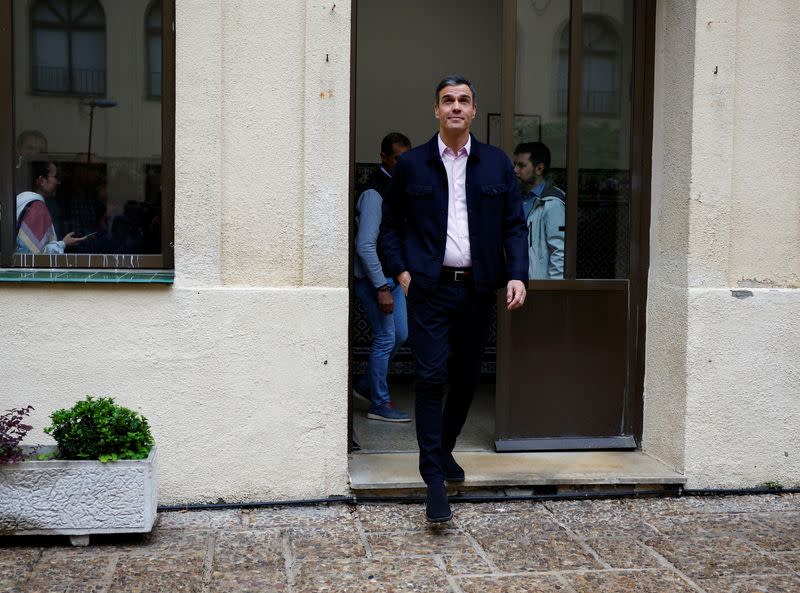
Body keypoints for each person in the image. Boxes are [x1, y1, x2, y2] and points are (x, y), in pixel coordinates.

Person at [380, 76, 528, 522]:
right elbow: (389, 229)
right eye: (448, 100)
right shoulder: (413, 166)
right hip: (429, 288)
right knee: (430, 377)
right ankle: (433, 481)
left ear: (474, 110)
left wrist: (517, 274)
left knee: (466, 377)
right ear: (436, 110)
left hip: (478, 288)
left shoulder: (497, 164)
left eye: (464, 100)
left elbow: (514, 226)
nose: (456, 107)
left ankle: (443, 451)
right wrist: (402, 273)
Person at [353, 132, 412, 422]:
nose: (403, 163)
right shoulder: (375, 193)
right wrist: (381, 287)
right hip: (376, 282)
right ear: (384, 158)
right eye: (398, 158)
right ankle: (379, 402)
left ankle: (365, 385)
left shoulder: (397, 188)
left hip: (392, 279)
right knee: (386, 337)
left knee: (400, 334)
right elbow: (365, 245)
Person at [513, 142, 565, 279]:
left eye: (521, 165)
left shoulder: (552, 202)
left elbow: (559, 250)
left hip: (539, 285)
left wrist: (554, 289)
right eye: (515, 164)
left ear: (539, 168)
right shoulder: (515, 197)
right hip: (515, 281)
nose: (515, 170)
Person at [16, 161, 86, 254]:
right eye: (55, 177)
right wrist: (63, 244)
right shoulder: (36, 207)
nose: (58, 182)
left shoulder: (23, 202)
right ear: (41, 180)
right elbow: (31, 255)